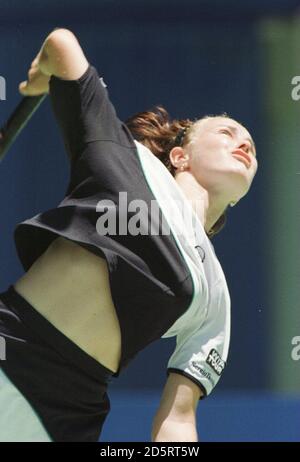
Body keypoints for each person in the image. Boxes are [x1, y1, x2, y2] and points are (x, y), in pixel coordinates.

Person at [0, 28, 258, 442]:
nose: (244, 143)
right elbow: (63, 43)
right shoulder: (121, 154)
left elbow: (179, 419)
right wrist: (43, 75)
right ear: (180, 155)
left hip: (65, 416)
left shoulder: (215, 295)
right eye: (227, 133)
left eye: (251, 145)